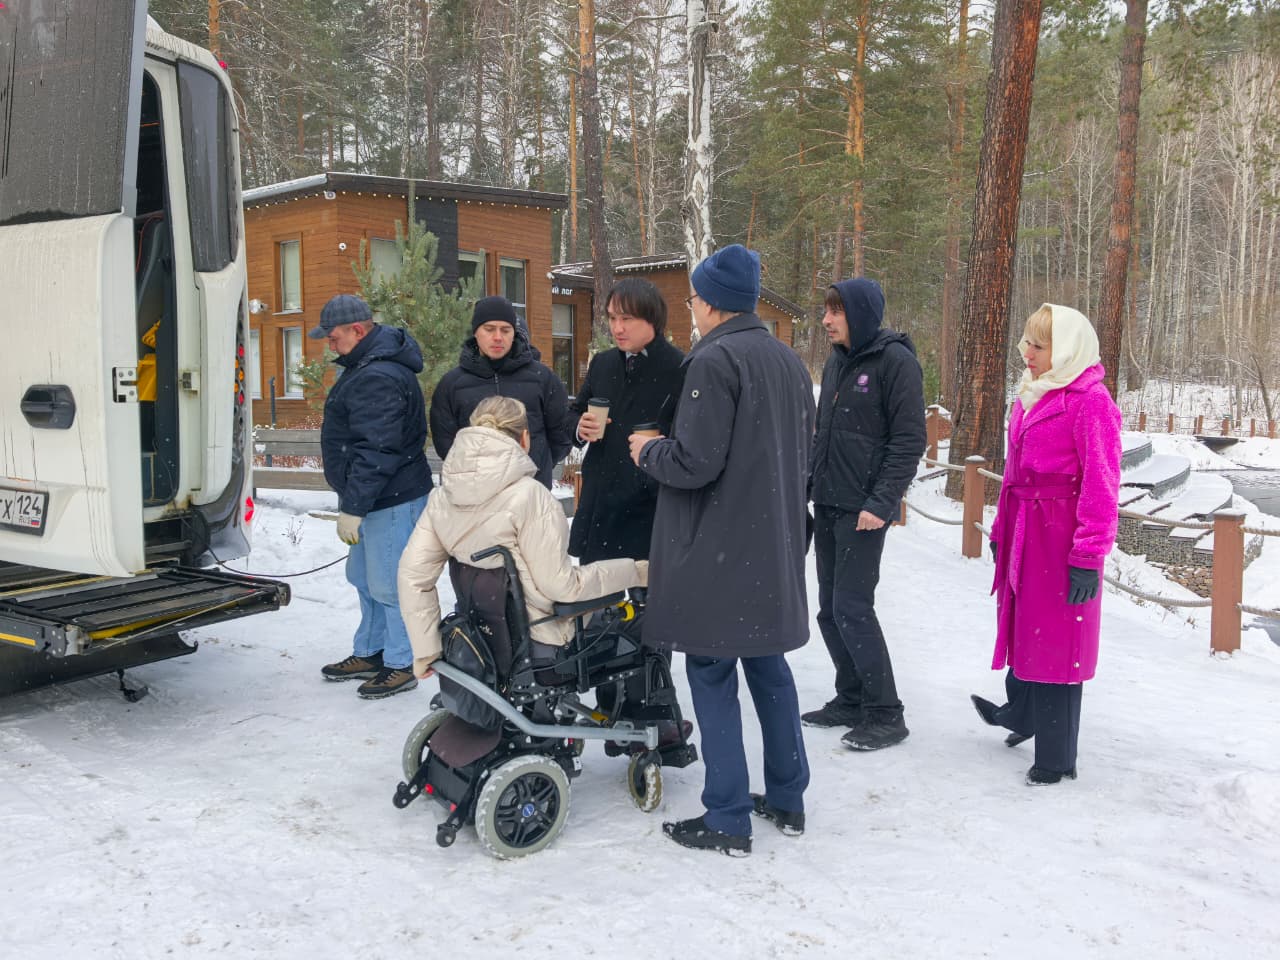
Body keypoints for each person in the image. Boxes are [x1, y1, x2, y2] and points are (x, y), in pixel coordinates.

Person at [629, 244, 814, 856]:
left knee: (710, 673)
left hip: (719, 549)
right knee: (769, 669)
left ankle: (728, 815)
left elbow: (696, 462)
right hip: (772, 544)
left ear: (708, 303)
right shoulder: (787, 362)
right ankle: (788, 797)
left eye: (692, 299)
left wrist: (647, 450)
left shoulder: (714, 361)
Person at [970, 303, 1122, 785]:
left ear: (1067, 350)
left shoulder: (1090, 401)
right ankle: (1023, 713)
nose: (1027, 352)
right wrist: (1000, 530)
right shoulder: (1030, 396)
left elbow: (1103, 482)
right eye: (1027, 342)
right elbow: (1013, 473)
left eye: (1039, 344)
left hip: (1061, 535)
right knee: (1027, 627)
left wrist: (1088, 554)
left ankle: (1057, 759)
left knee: (1060, 640)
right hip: (1025, 529)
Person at [398, 396, 646, 676]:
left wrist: (426, 649)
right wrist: (634, 572)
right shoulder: (530, 497)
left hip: (483, 637)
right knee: (636, 624)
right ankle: (638, 713)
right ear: (525, 439)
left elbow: (413, 577)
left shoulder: (441, 498)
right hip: (541, 642)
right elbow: (561, 588)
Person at [804, 278, 926, 750]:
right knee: (830, 611)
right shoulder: (837, 362)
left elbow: (909, 440)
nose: (827, 320)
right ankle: (851, 697)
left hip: (863, 510)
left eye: (836, 312)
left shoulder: (895, 362)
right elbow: (824, 432)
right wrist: (810, 485)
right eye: (826, 310)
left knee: (853, 609)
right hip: (830, 501)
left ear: (859, 314)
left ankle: (885, 712)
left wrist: (881, 502)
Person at [315, 294, 433, 699]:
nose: (331, 346)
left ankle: (401, 662)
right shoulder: (366, 367)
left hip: (390, 498)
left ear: (358, 331)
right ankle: (371, 650)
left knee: (389, 583)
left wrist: (354, 507)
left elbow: (377, 449)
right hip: (373, 498)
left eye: (334, 338)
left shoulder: (377, 376)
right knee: (364, 579)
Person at [570, 277, 685, 563]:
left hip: (647, 504)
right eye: (611, 317)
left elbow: (689, 440)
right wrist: (579, 427)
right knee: (597, 599)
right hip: (600, 501)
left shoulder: (680, 368)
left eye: (627, 318)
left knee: (645, 598)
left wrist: (662, 442)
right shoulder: (603, 363)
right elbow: (575, 412)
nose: (617, 328)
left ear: (652, 319)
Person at [429, 295, 573, 489]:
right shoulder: (452, 384)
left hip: (530, 491)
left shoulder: (543, 378)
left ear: (514, 333)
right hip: (475, 494)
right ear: (476, 332)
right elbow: (445, 442)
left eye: (505, 330)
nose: (498, 337)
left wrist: (538, 464)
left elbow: (561, 435)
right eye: (489, 329)